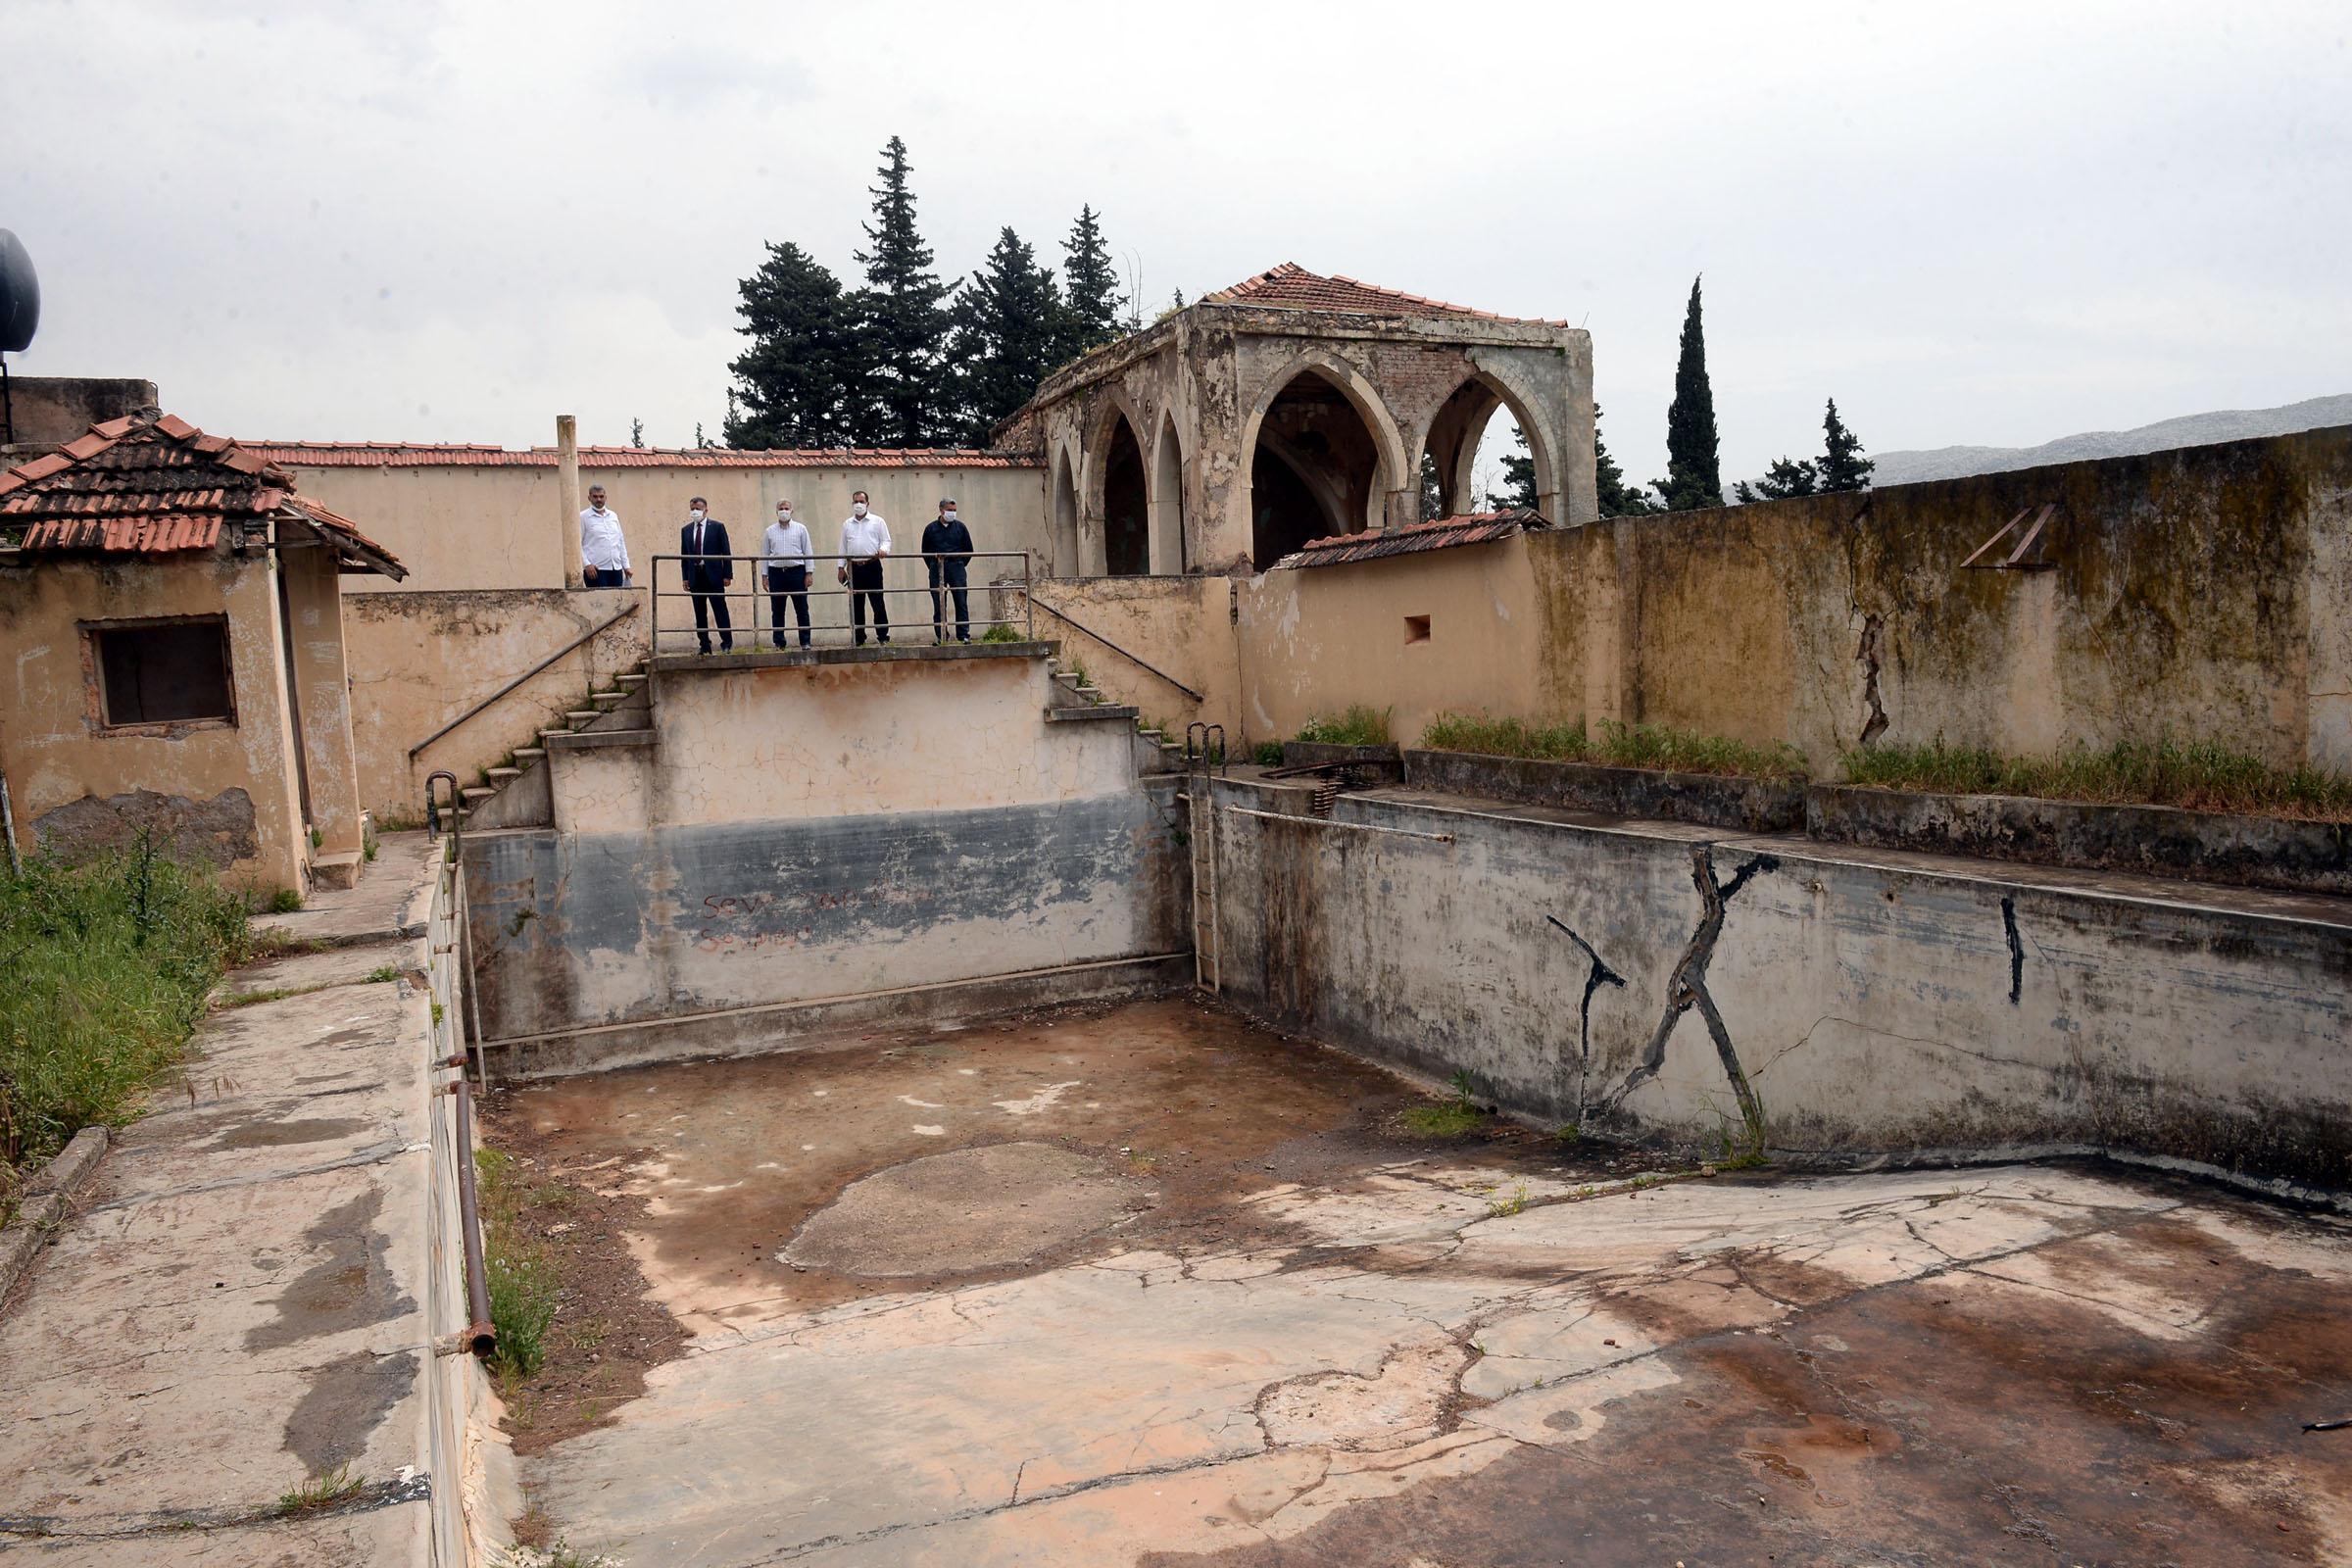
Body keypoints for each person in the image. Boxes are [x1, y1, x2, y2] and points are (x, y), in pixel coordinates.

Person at [679, 495, 734, 654]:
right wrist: (685, 577)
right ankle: (704, 645)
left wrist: (727, 574)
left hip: (714, 575)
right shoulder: (686, 530)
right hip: (696, 575)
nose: (695, 512)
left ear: (706, 510)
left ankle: (726, 643)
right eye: (692, 509)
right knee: (699, 611)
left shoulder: (717, 527)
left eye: (698, 509)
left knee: (720, 609)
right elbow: (684, 556)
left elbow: (726, 551)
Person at [838, 490, 891, 645]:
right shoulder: (847, 524)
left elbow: (886, 540)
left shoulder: (877, 521)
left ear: (868, 503)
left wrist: (883, 550)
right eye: (856, 501)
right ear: (852, 504)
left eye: (861, 501)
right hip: (854, 568)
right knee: (857, 604)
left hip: (872, 565)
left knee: (877, 603)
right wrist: (840, 568)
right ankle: (859, 638)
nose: (858, 504)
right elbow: (843, 547)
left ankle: (883, 637)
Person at [921, 496, 974, 644]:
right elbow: (925, 551)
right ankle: (941, 636)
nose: (952, 513)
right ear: (941, 510)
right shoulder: (931, 528)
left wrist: (959, 563)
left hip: (957, 566)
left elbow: (968, 549)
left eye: (954, 510)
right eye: (949, 510)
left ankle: (963, 635)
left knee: (961, 602)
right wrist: (933, 565)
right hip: (936, 568)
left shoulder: (960, 527)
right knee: (939, 604)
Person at [761, 498, 813, 649]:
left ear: (792, 511)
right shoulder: (769, 531)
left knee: (802, 609)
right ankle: (779, 642)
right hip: (776, 573)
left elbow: (807, 551)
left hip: (797, 572)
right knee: (777, 610)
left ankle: (805, 641)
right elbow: (765, 554)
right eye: (781, 508)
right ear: (776, 511)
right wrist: (764, 576)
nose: (784, 511)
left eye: (786, 508)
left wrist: (809, 572)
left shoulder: (800, 529)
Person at [579, 484, 631, 587]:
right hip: (596, 570)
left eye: (601, 496)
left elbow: (620, 541)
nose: (598, 499)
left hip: (615, 568)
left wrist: (626, 566)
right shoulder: (583, 517)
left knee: (617, 601)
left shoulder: (613, 516)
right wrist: (587, 564)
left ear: (605, 497)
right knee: (599, 602)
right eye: (595, 496)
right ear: (589, 498)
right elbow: (577, 544)